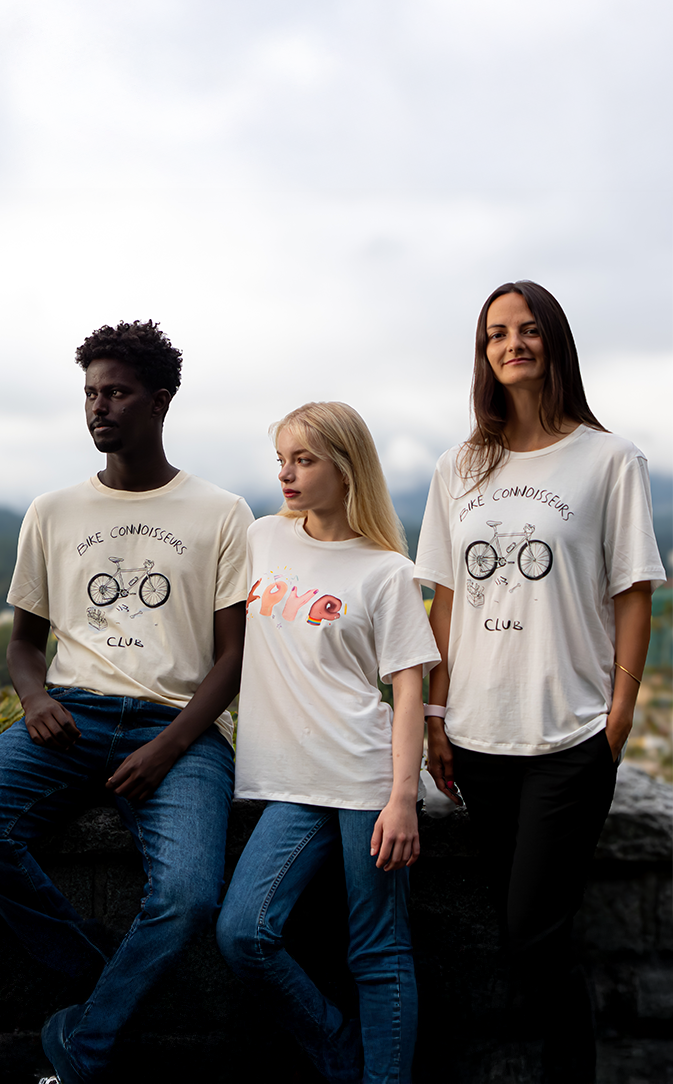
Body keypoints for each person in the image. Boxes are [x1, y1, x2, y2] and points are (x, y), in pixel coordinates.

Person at [0, 319, 253, 1083]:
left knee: (185, 898)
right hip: (70, 715)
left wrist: (168, 746)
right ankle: (102, 977)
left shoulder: (220, 512)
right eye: (90, 394)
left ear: (160, 401)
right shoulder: (53, 511)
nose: (99, 408)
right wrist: (35, 697)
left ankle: (84, 1048)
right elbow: (21, 644)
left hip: (179, 730)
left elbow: (235, 655)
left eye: (116, 393)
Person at [414, 281, 663, 1083]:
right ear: (483, 353)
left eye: (527, 330)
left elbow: (633, 597)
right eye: (495, 334)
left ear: (554, 340)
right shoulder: (459, 465)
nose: (511, 344)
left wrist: (616, 721)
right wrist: (437, 717)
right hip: (480, 739)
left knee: (533, 935)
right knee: (529, 939)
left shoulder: (610, 459)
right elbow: (444, 603)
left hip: (569, 737)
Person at [216, 402, 438, 1084]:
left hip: (365, 779)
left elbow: (407, 690)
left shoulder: (387, 571)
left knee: (377, 949)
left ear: (346, 470)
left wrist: (402, 797)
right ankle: (342, 1057)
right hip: (288, 780)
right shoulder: (260, 538)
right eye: (282, 459)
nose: (287, 473)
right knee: (243, 933)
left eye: (304, 460)